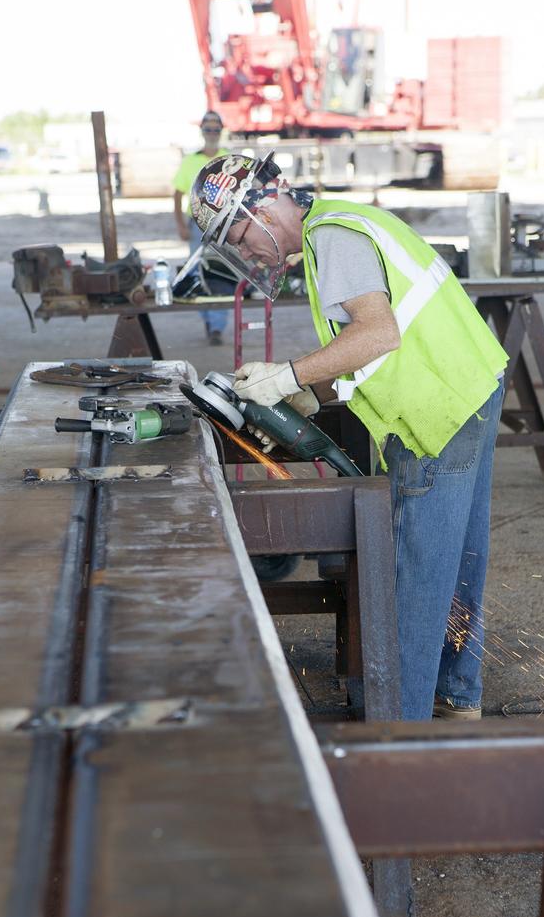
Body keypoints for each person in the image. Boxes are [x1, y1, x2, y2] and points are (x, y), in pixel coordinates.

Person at [187, 152, 509, 722]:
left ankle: (399, 725)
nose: (245, 251)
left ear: (263, 205)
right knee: (457, 556)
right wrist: (318, 390)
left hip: (434, 408)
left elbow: (378, 333)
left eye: (239, 234)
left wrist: (288, 375)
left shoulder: (332, 238)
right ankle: (457, 696)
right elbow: (377, 336)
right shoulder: (336, 225)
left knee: (413, 566)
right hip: (470, 384)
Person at [172, 112, 230, 345]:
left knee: (220, 271)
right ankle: (207, 317)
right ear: (202, 131)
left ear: (221, 131)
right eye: (208, 129)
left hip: (224, 226)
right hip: (196, 224)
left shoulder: (229, 159)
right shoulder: (190, 161)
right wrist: (179, 225)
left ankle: (217, 326)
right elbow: (177, 194)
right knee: (196, 271)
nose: (212, 134)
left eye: (216, 129)